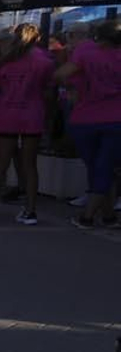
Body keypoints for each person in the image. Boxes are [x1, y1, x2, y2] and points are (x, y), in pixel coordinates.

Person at [0, 23, 56, 225]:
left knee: (0, 164)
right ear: (37, 38)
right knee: (29, 165)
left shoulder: (3, 61)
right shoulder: (45, 61)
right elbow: (49, 92)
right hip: (33, 115)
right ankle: (30, 211)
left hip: (8, 114)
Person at [55, 19, 121, 228]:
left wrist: (74, 88)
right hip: (116, 119)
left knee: (96, 168)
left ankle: (97, 215)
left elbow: (59, 75)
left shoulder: (86, 52)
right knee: (105, 168)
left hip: (84, 118)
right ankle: (96, 216)